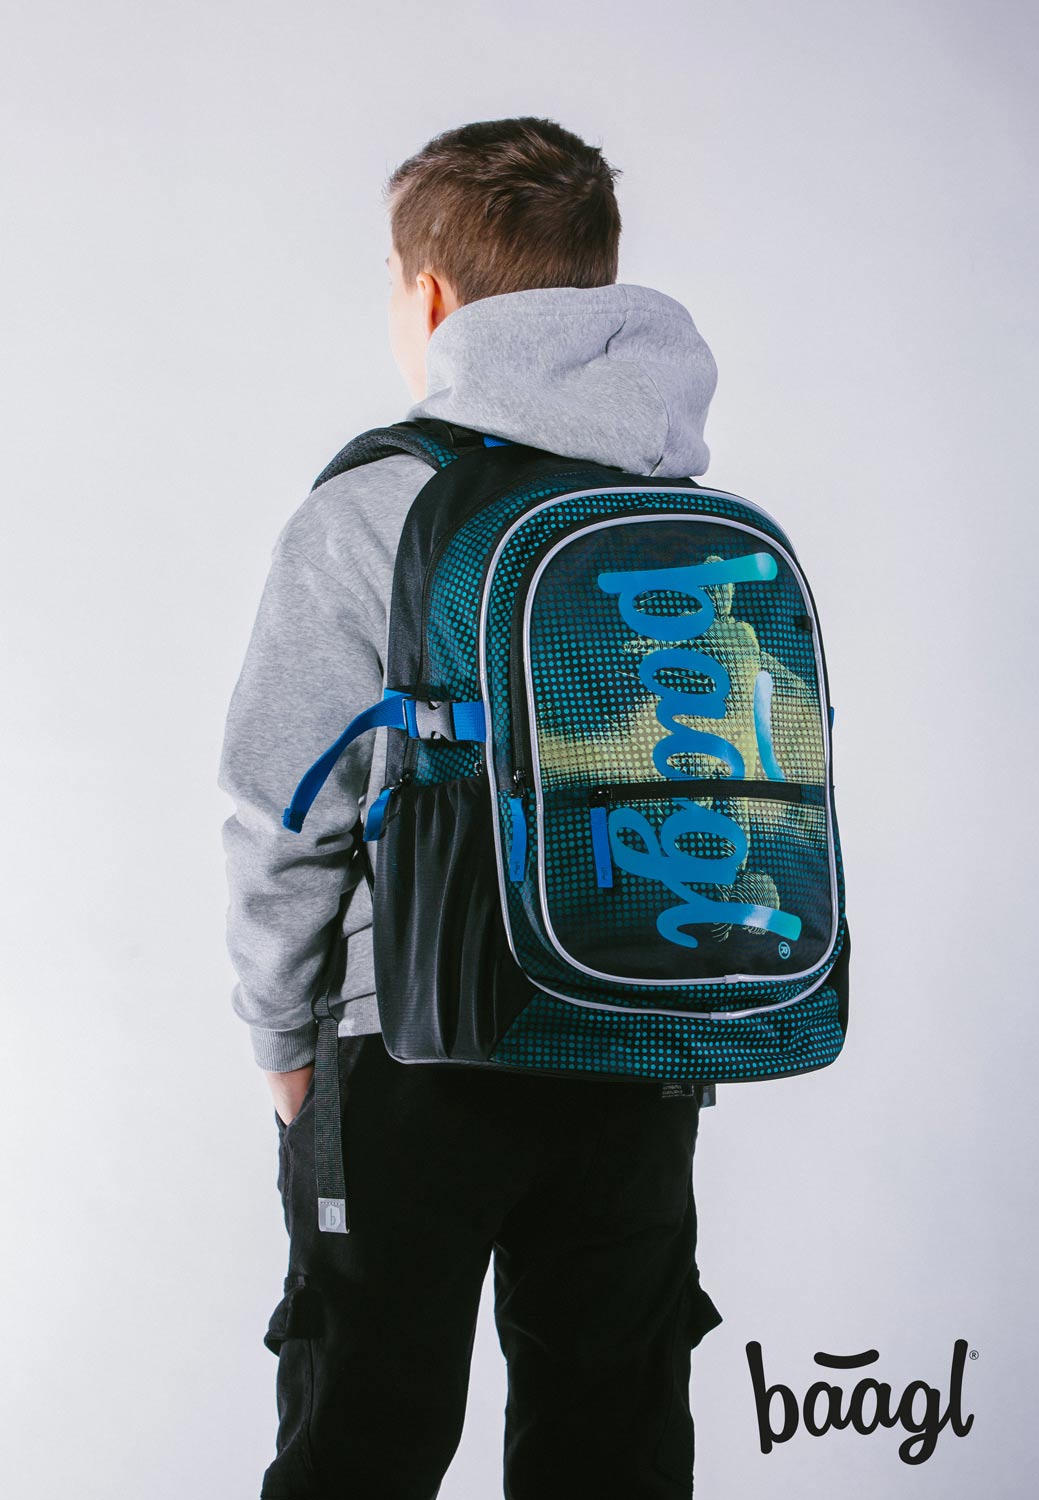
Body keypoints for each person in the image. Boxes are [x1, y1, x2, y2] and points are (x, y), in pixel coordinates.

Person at [218, 115, 724, 1500]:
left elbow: (283, 808)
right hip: (640, 1033)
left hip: (409, 1047)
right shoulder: (668, 494)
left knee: (361, 1438)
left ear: (430, 299)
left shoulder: (378, 503)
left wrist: (281, 1036)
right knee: (611, 1441)